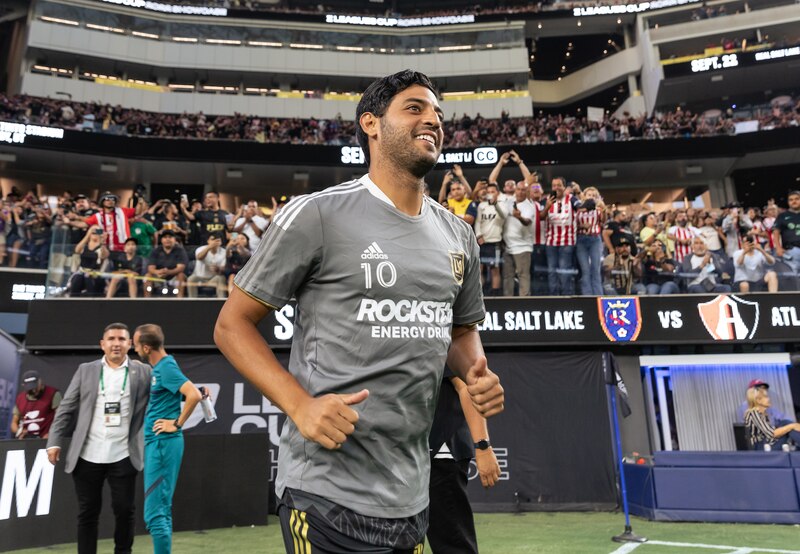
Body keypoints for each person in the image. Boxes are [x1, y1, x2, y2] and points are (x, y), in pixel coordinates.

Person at [214, 70, 504, 554]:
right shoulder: (316, 215)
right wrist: (300, 405)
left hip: (411, 498)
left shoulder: (460, 236)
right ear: (371, 123)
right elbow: (231, 325)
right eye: (414, 108)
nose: (432, 118)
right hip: (325, 493)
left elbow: (459, 333)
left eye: (437, 112)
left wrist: (476, 373)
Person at [46, 323, 152, 554]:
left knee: (125, 510)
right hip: (87, 454)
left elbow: (166, 391)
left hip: (124, 453)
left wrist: (195, 392)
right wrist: (53, 440)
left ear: (129, 344)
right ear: (102, 344)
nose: (116, 343)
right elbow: (66, 407)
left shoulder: (143, 371)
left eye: (122, 339)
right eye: (111, 339)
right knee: (88, 512)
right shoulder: (86, 370)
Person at [133, 324, 203, 554]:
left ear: (145, 347)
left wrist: (176, 423)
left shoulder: (166, 366)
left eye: (135, 345)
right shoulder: (163, 367)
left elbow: (192, 394)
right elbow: (190, 392)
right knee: (161, 510)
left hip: (163, 444)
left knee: (154, 514)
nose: (134, 350)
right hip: (159, 444)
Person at [427, 370, 500, 554]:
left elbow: (468, 387)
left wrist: (483, 446)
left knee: (454, 546)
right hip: (403, 453)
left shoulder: (446, 342)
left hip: (441, 452)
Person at [543, 177, 580, 295]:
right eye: (554, 185)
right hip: (551, 242)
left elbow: (581, 206)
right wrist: (547, 206)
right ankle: (553, 297)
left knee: (565, 271)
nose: (556, 188)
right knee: (551, 271)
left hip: (567, 241)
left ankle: (566, 296)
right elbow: (541, 217)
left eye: (559, 185)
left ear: (564, 187)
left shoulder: (571, 199)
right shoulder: (547, 200)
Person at [501, 181, 534, 296]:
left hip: (522, 247)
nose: (520, 192)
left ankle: (525, 302)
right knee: (507, 276)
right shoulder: (508, 202)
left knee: (523, 275)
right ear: (515, 190)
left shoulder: (529, 206)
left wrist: (519, 217)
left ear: (527, 192)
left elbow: (527, 222)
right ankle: (507, 301)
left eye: (523, 190)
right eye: (518, 189)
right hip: (507, 246)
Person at [744, 384, 800, 451]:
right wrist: (792, 426)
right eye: (766, 397)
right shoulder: (753, 413)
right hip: (760, 447)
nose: (769, 399)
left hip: (768, 443)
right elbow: (772, 434)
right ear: (758, 400)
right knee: (787, 425)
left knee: (785, 423)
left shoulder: (763, 414)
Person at [474, 182, 506, 296]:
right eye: (488, 192)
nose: (490, 194)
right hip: (482, 242)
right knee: (479, 269)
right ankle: (480, 294)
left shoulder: (502, 204)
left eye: (493, 192)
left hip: (495, 241)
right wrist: (478, 235)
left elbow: (504, 215)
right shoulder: (482, 205)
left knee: (494, 270)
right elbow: (478, 221)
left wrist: (495, 204)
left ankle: (495, 295)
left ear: (497, 193)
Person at [11, 370, 62, 439]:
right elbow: (14, 423)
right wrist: (19, 431)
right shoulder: (20, 399)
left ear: (40, 382)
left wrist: (52, 434)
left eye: (35, 387)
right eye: (30, 388)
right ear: (23, 386)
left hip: (47, 438)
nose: (34, 391)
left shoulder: (52, 394)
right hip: (27, 440)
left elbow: (61, 418)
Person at [575, 187, 606, 295]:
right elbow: (573, 225)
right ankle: (587, 297)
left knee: (596, 269)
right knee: (585, 270)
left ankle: (598, 296)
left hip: (595, 239)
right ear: (584, 196)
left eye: (594, 195)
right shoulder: (578, 209)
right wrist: (582, 226)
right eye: (589, 195)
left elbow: (603, 221)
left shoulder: (598, 210)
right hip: (581, 240)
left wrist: (604, 210)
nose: (591, 197)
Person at [144, 230, 188, 297]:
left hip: (174, 277)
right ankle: (146, 302)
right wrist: (158, 272)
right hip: (158, 276)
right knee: (148, 276)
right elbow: (150, 268)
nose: (167, 239)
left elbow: (180, 268)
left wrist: (168, 272)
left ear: (174, 239)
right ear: (161, 240)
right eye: (165, 237)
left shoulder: (180, 250)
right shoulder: (156, 251)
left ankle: (179, 301)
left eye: (170, 237)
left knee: (181, 275)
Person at [69, 225, 110, 297]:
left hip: (95, 273)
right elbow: (77, 250)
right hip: (82, 271)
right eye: (93, 233)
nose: (95, 234)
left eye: (97, 232)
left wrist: (102, 242)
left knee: (89, 279)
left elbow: (104, 255)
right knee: (77, 279)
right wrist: (88, 234)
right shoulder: (84, 246)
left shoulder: (101, 247)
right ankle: (73, 300)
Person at [186, 233, 227, 298]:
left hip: (213, 278)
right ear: (208, 241)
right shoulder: (200, 249)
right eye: (213, 240)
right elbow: (199, 257)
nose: (215, 242)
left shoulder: (224, 252)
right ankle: (192, 303)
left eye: (217, 240)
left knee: (221, 278)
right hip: (199, 277)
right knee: (191, 279)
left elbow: (223, 268)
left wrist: (218, 269)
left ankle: (221, 301)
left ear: (221, 242)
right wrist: (209, 247)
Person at [773, 190, 800, 275]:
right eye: (791, 200)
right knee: (792, 277)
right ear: (788, 202)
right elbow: (776, 232)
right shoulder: (782, 216)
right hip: (791, 250)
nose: (794, 201)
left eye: (797, 199)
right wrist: (778, 248)